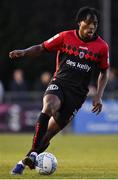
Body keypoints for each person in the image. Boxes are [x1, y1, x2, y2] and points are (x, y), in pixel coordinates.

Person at [9, 6, 109, 175]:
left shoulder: (101, 47)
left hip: (77, 95)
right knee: (49, 105)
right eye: (89, 23)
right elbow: (42, 47)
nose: (92, 27)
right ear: (80, 23)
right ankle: (34, 152)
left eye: (95, 24)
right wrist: (24, 52)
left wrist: (98, 96)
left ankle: (23, 162)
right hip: (60, 84)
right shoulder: (65, 37)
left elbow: (104, 72)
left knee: (48, 134)